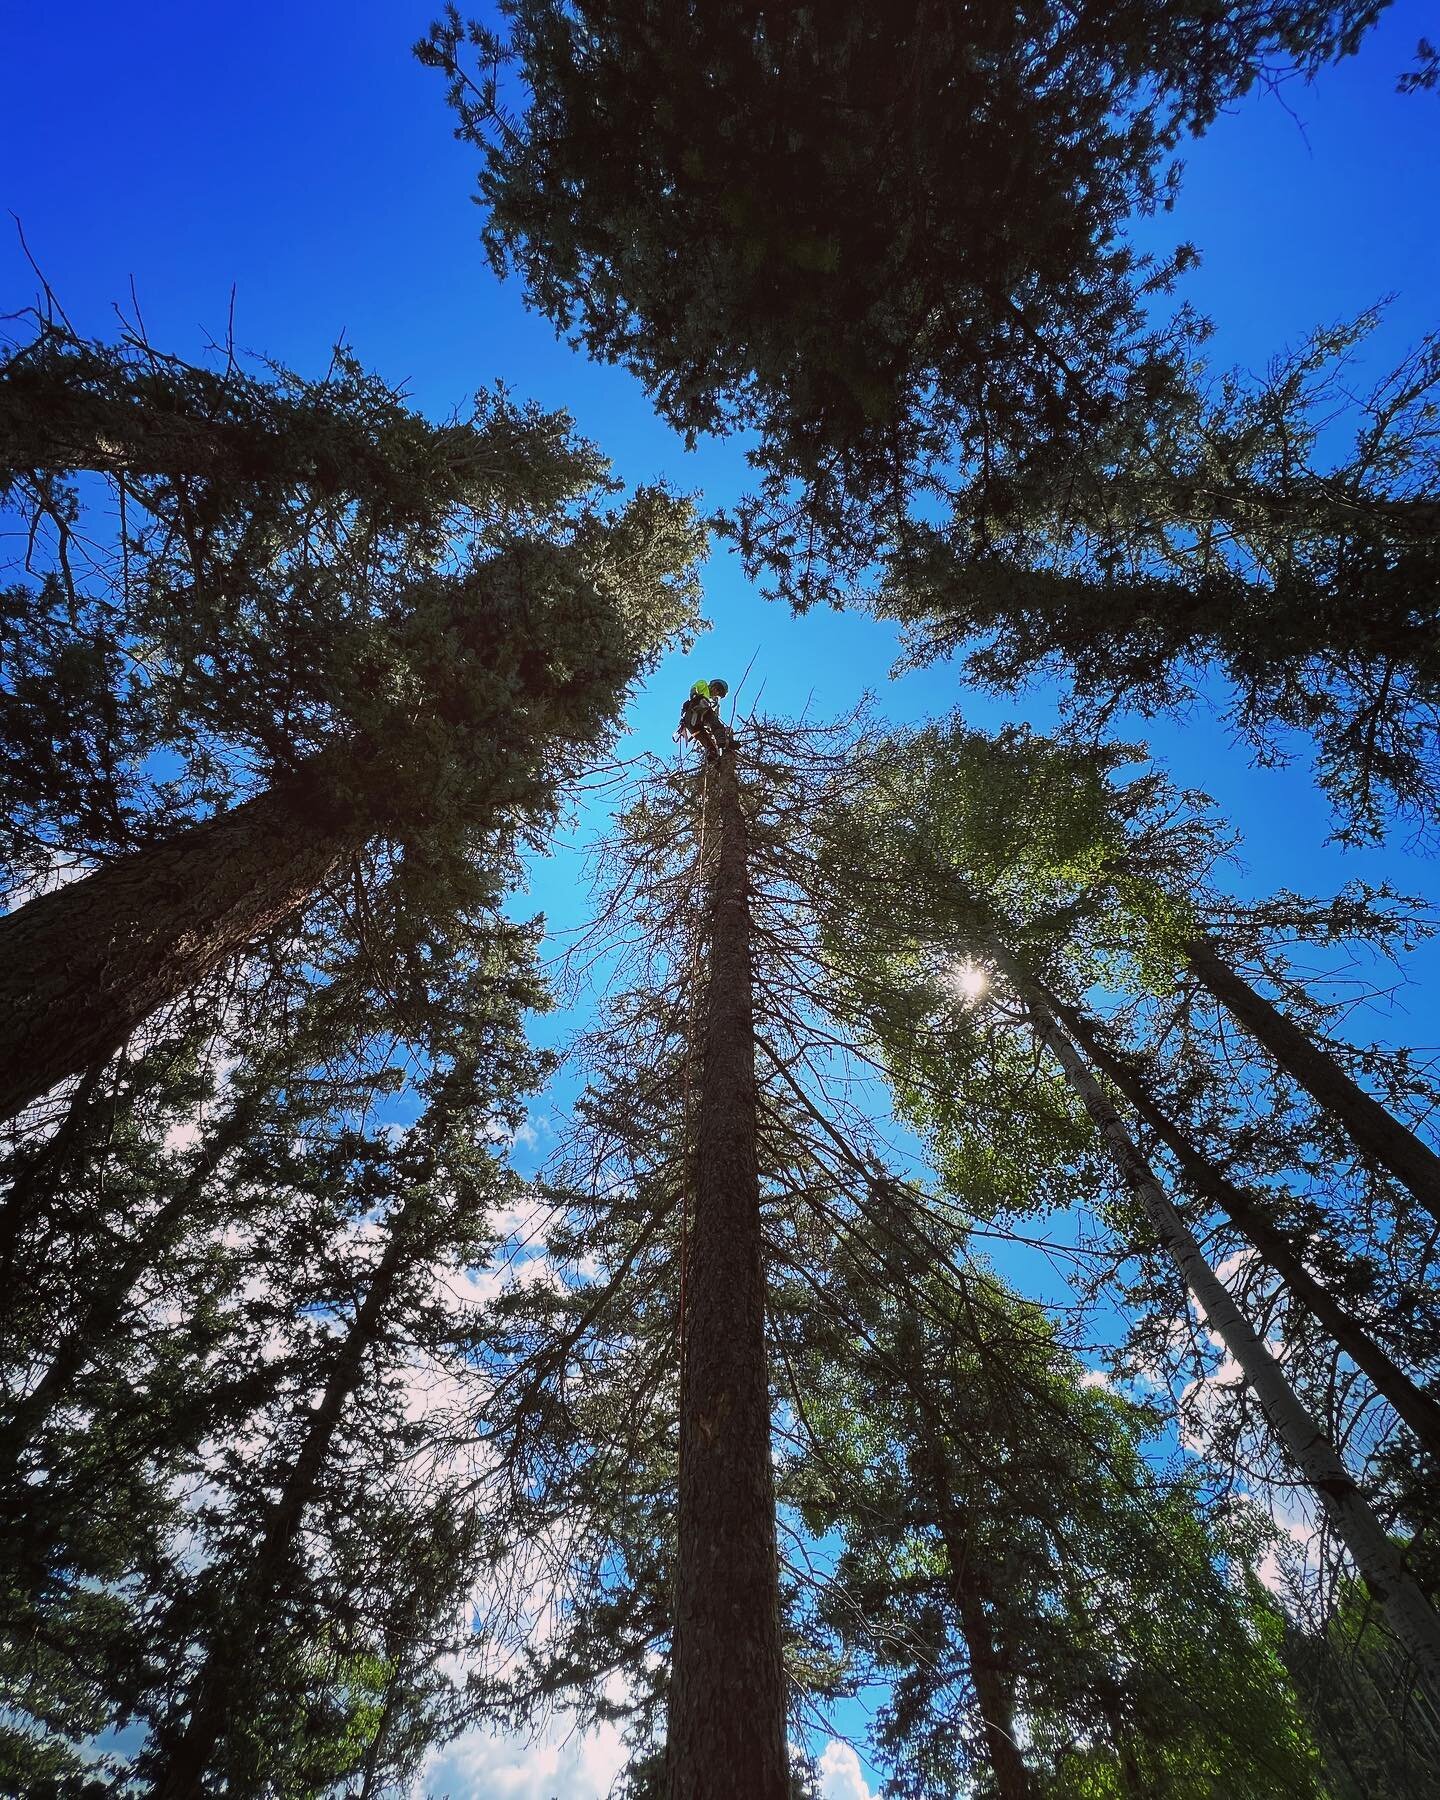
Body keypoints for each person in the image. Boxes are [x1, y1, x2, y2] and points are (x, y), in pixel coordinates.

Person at [675, 677, 730, 759]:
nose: (716, 692)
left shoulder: (713, 702)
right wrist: (694, 695)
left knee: (705, 739)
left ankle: (713, 757)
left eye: (719, 693)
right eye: (717, 689)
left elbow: (714, 718)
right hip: (697, 708)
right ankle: (721, 740)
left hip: (693, 723)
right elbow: (695, 688)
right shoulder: (703, 684)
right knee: (716, 723)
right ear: (713, 685)